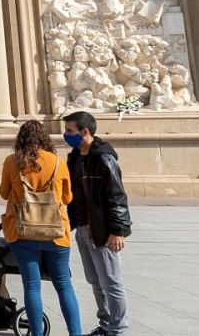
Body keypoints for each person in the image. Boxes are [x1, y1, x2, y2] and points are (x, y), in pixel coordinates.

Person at [0, 119, 84, 336]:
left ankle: (36, 334)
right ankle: (75, 333)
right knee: (64, 285)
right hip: (55, 233)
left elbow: (3, 193)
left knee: (32, 286)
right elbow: (67, 197)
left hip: (23, 231)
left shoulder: (11, 162)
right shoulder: (58, 162)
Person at [63, 111, 133, 336]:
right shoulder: (75, 158)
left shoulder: (104, 158)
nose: (65, 135)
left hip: (102, 230)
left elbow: (117, 195)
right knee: (95, 281)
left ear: (85, 132)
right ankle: (105, 325)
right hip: (83, 228)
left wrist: (118, 230)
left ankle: (119, 330)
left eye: (69, 131)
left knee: (111, 283)